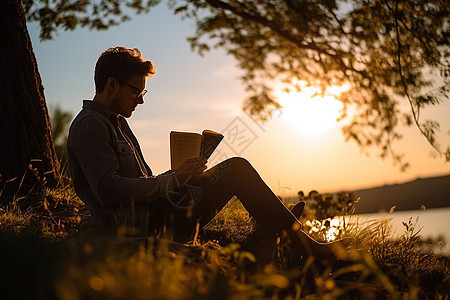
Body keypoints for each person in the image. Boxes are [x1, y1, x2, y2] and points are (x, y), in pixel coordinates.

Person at [67, 46, 340, 260]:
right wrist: (173, 180)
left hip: (159, 212)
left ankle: (277, 225)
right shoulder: (90, 126)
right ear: (112, 84)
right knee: (237, 169)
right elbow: (108, 190)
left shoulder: (117, 122)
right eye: (137, 91)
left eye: (143, 91)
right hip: (144, 226)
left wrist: (181, 175)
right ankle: (303, 244)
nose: (141, 99)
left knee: (227, 171)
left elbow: (142, 182)